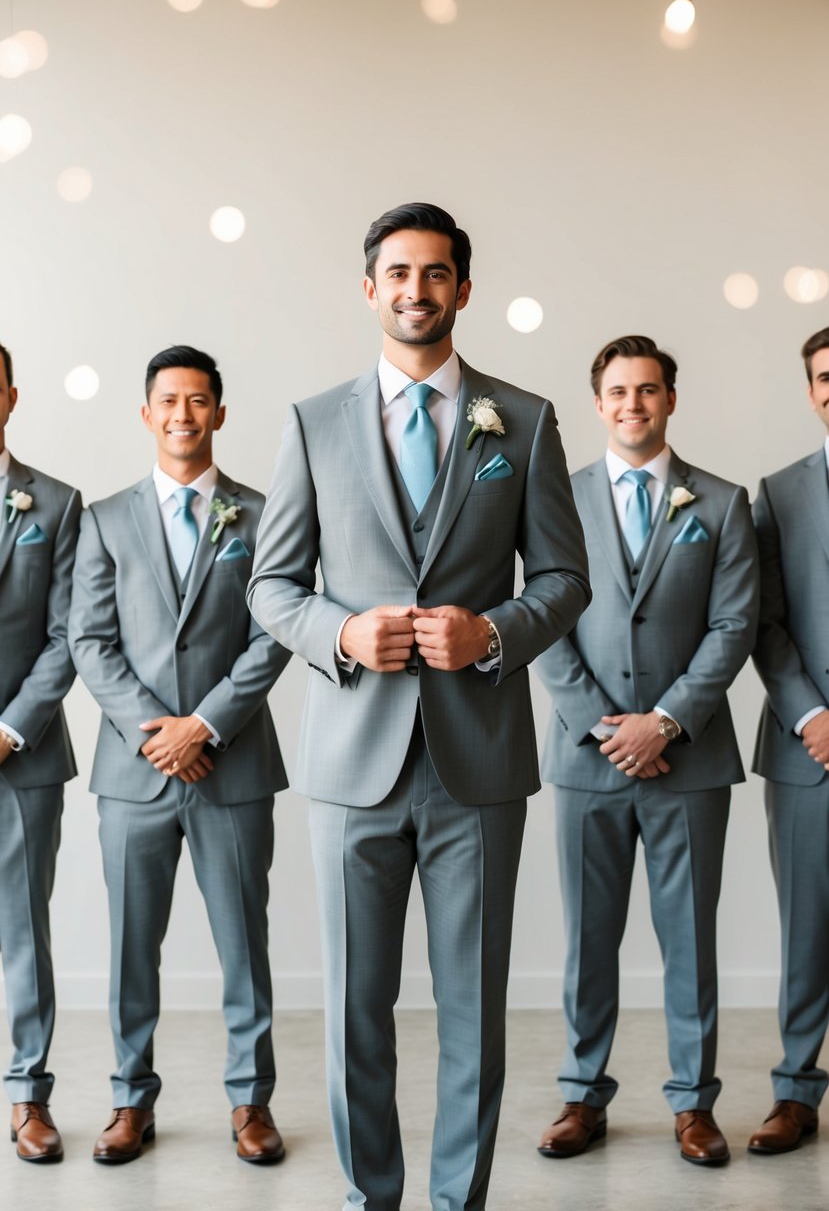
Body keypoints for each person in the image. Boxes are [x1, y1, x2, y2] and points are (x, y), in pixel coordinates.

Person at [247, 202, 589, 1211]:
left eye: (434, 274)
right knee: (356, 1007)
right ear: (369, 289)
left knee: (472, 1011)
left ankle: (457, 1202)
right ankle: (370, 1198)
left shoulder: (519, 421)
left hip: (478, 764)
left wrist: (493, 634)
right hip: (353, 760)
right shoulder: (311, 422)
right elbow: (271, 587)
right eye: (397, 273)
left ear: (462, 290)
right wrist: (342, 636)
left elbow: (563, 578)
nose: (415, 291)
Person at [535, 334, 758, 1166]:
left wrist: (661, 721)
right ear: (598, 404)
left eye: (648, 391)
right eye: (618, 392)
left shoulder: (721, 503)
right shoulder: (556, 497)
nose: (633, 405)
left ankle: (693, 1105)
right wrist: (605, 725)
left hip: (688, 761)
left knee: (688, 939)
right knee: (588, 938)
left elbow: (733, 624)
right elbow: (542, 621)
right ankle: (581, 1097)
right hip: (585, 761)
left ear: (670, 400)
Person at [69, 345, 290, 1165]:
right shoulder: (104, 518)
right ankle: (131, 1101)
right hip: (134, 774)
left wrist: (207, 725)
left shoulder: (262, 516)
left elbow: (273, 633)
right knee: (132, 945)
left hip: (232, 768)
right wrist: (158, 732)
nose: (183, 416)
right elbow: (89, 640)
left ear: (219, 413)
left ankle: (251, 1103)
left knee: (244, 943)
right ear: (146, 412)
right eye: (169, 401)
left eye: (198, 402)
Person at [0, 341, 81, 1163]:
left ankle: (28, 1099)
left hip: (20, 757)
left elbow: (67, 638)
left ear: (10, 397)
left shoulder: (53, 504)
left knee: (22, 930)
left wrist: (9, 728)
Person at [749, 325, 829, 1154]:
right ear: (810, 391)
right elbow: (763, 625)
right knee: (806, 928)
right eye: (822, 376)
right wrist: (811, 715)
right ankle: (796, 1091)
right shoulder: (776, 494)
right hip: (811, 750)